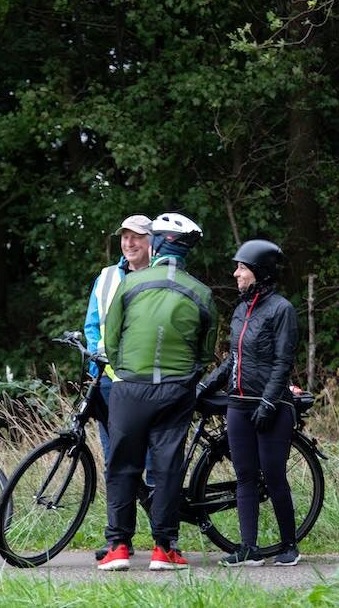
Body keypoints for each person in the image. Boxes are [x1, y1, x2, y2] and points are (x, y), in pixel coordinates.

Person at [97, 212, 217, 571]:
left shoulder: (129, 284)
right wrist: (182, 377)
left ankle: (117, 546)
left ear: (157, 243)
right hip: (175, 391)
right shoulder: (202, 293)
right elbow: (206, 352)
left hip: (129, 388)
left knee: (122, 466)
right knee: (166, 468)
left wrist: (126, 372)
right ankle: (164, 549)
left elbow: (111, 339)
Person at [198, 239, 301, 567]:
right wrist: (203, 387)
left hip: (271, 406)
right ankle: (248, 548)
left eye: (242, 267)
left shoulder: (281, 310)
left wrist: (270, 403)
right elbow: (233, 359)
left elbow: (283, 362)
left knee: (273, 477)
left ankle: (289, 545)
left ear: (259, 271)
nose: (236, 273)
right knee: (244, 477)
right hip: (239, 405)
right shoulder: (242, 310)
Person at [83, 214, 152, 461]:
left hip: (147, 379)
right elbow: (92, 325)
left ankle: (153, 499)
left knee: (150, 453)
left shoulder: (163, 276)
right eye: (125, 237)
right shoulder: (107, 277)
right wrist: (96, 364)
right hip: (108, 380)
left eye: (136, 237)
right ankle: (120, 501)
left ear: (151, 241)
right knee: (114, 457)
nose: (129, 243)